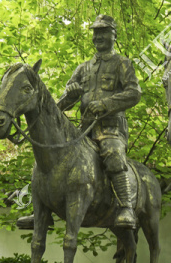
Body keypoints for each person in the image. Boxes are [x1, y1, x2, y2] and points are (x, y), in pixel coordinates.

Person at [55, 14, 142, 229]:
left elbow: (134, 93)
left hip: (111, 129)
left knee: (112, 153)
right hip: (84, 131)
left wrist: (106, 104)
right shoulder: (82, 68)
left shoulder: (122, 63)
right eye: (95, 33)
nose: (98, 36)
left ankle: (126, 207)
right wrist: (71, 95)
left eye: (103, 32)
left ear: (113, 35)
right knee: (55, 155)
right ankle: (43, 210)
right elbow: (61, 106)